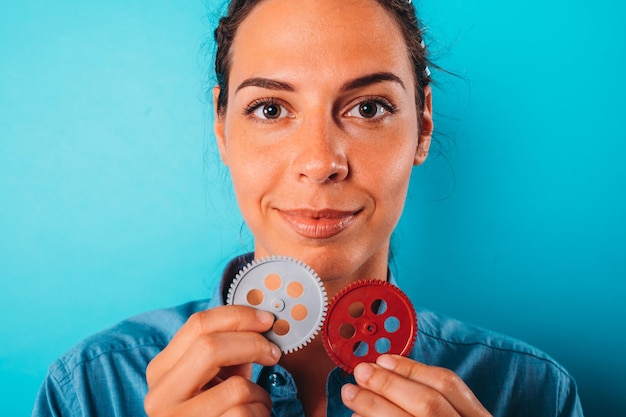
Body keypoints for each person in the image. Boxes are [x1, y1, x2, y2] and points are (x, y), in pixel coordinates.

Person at [32, 0, 584, 416]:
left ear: (424, 126)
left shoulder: (532, 390)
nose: (320, 161)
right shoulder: (88, 389)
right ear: (221, 129)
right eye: (270, 108)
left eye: (369, 107)